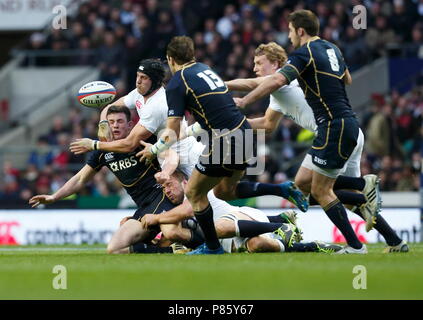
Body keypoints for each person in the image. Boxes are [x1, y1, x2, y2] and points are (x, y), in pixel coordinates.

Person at [225, 42, 408, 253]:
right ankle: (394, 240)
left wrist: (220, 86)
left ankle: (360, 205)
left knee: (308, 187)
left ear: (275, 64)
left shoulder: (282, 80)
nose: (255, 68)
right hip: (348, 133)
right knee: (340, 197)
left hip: (333, 135)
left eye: (259, 63)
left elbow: (249, 83)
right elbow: (267, 125)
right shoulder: (279, 91)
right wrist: (234, 124)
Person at [137, 36, 307, 255]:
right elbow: (214, 114)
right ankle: (281, 189)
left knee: (195, 193)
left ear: (170, 59)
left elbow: (170, 132)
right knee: (225, 191)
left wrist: (153, 149)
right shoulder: (206, 70)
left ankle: (213, 247)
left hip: (225, 140)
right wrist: (188, 132)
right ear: (192, 54)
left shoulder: (177, 82)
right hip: (245, 135)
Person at [30, 106, 185, 254]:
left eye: (120, 121)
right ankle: (167, 249)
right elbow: (80, 179)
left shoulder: (142, 140)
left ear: (130, 125)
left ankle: (185, 239)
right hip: (143, 207)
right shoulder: (103, 151)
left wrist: (166, 171)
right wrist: (53, 196)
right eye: (111, 122)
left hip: (162, 197)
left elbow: (171, 154)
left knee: (170, 232)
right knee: (114, 249)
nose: (115, 126)